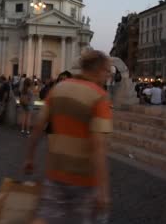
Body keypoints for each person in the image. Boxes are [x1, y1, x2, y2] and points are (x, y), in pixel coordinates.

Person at [24, 50, 113, 223]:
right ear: (99, 70)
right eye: (107, 71)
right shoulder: (99, 97)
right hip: (84, 178)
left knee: (45, 218)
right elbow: (99, 147)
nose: (108, 76)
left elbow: (38, 127)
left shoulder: (59, 88)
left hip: (55, 170)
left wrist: (29, 157)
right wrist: (103, 191)